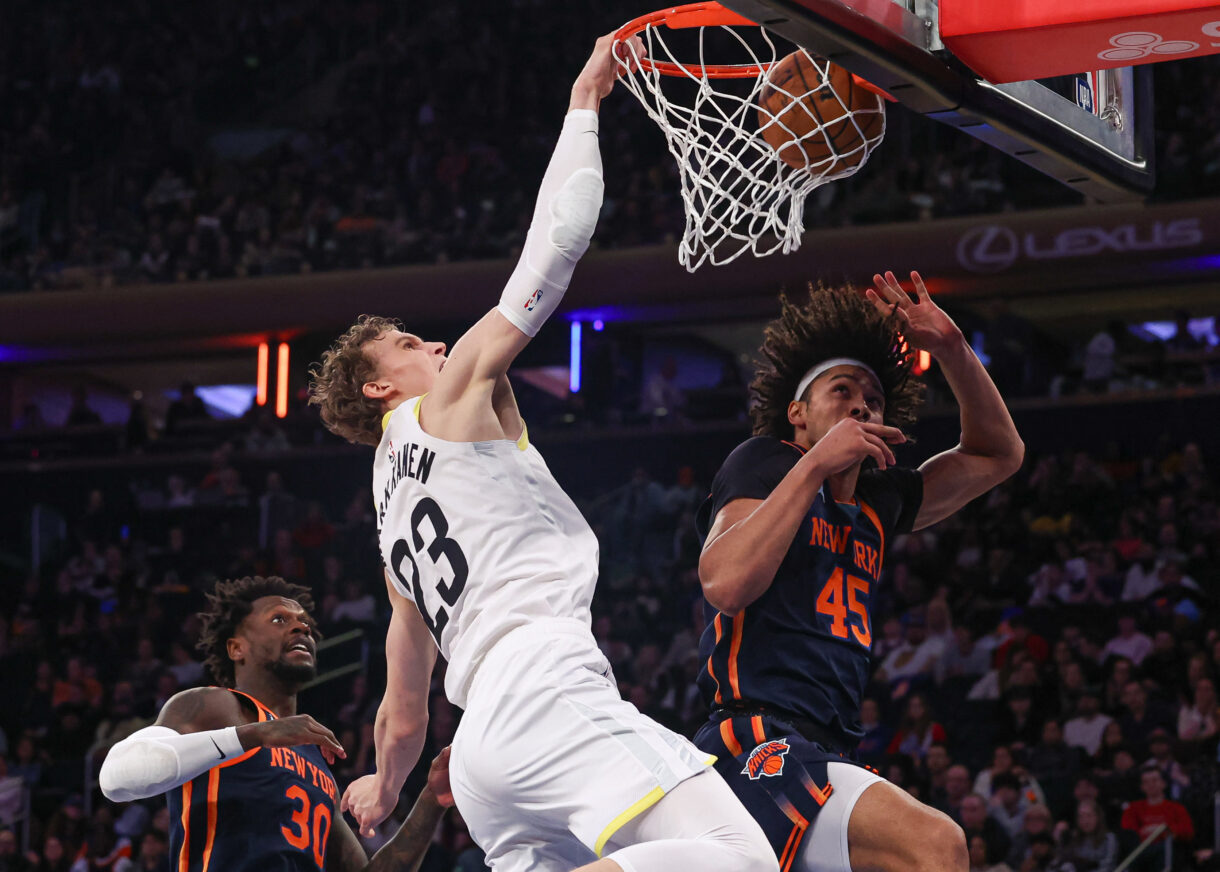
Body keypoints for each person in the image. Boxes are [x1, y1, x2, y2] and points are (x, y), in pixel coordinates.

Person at [307, 34, 776, 872]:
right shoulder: (444, 404)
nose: (437, 342)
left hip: (484, 752)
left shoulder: (389, 533)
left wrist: (384, 783)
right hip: (543, 687)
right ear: (382, 391)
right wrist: (585, 106)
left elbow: (403, 706)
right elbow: (552, 253)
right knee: (733, 853)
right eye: (411, 342)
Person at [692, 272, 1024, 872]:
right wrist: (817, 463)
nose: (862, 405)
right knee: (936, 845)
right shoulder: (767, 462)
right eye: (841, 391)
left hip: (829, 745)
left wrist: (951, 348)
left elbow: (998, 454)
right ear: (797, 412)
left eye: (872, 399)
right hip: (754, 736)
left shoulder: (877, 501)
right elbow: (725, 583)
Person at [98, 576, 452, 871]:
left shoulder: (315, 762)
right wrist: (258, 733)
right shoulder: (214, 706)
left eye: (306, 624)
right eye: (279, 619)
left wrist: (431, 801)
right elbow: (116, 778)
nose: (302, 626)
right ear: (237, 648)